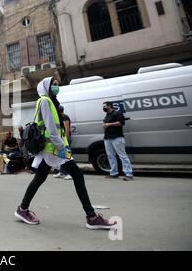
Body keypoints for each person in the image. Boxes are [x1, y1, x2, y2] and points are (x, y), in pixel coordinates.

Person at [14, 77, 116, 230]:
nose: (56, 87)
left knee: (41, 177)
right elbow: (51, 128)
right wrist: (62, 148)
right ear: (46, 87)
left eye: (57, 84)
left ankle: (22, 209)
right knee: (76, 175)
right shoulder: (45, 101)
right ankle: (92, 217)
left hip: (54, 148)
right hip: (54, 149)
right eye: (53, 85)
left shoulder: (51, 102)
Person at [103, 102, 133, 181]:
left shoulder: (117, 113)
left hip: (117, 137)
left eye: (105, 106)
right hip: (107, 138)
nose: (104, 107)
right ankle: (114, 173)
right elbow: (106, 124)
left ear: (109, 106)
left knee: (122, 156)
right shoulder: (107, 115)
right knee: (110, 156)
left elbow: (121, 123)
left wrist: (109, 124)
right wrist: (104, 125)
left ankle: (129, 174)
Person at [53, 105, 73, 180]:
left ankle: (70, 173)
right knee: (62, 156)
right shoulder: (61, 117)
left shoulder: (64, 117)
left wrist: (66, 140)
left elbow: (67, 129)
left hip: (65, 139)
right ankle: (62, 172)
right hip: (62, 139)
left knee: (68, 156)